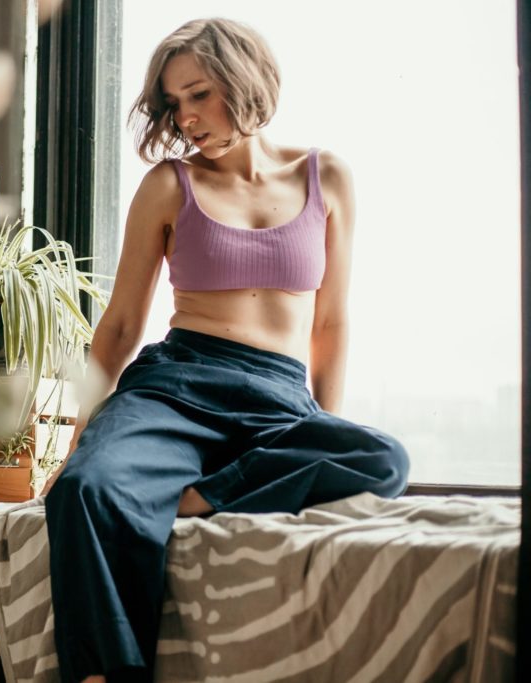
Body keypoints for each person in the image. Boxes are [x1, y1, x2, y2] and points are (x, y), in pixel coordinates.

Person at [41, 17, 410, 683]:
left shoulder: (327, 179)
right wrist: (77, 440)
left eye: (199, 94)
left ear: (242, 80)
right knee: (83, 490)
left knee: (382, 457)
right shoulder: (168, 186)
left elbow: (332, 324)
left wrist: (318, 423)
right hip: (176, 387)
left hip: (278, 395)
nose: (186, 118)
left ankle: (198, 498)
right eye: (173, 104)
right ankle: (110, 672)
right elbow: (122, 325)